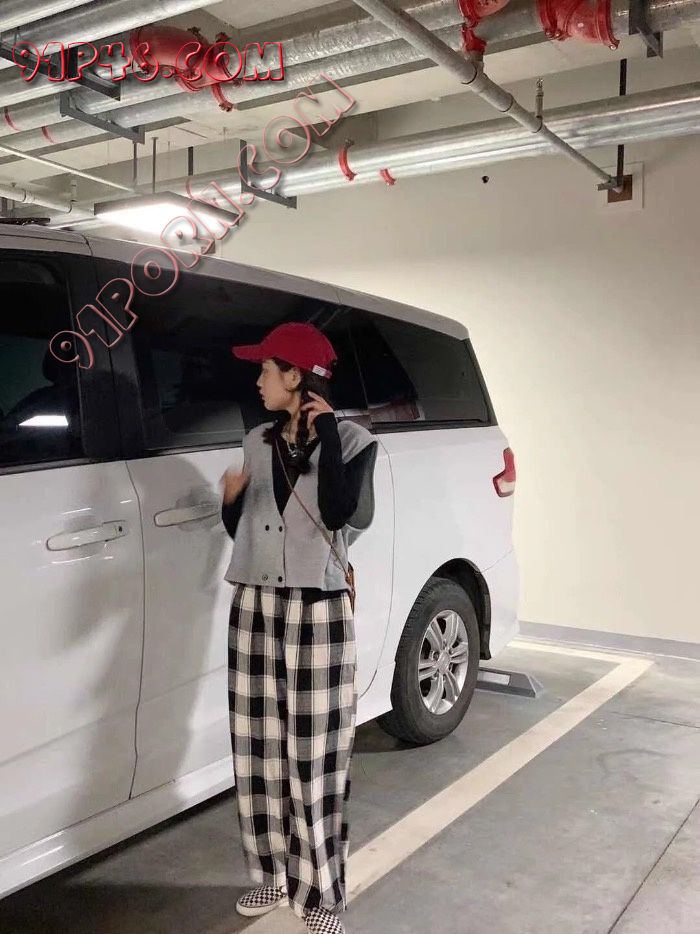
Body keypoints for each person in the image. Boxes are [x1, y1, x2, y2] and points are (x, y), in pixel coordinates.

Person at [221, 321, 378, 934]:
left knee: (316, 755)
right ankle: (269, 873)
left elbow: (340, 513)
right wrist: (231, 502)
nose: (258, 380)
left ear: (296, 375)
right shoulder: (256, 439)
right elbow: (246, 532)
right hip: (255, 605)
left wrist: (328, 431)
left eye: (266, 369)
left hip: (319, 609)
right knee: (256, 747)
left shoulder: (355, 441)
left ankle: (320, 895)